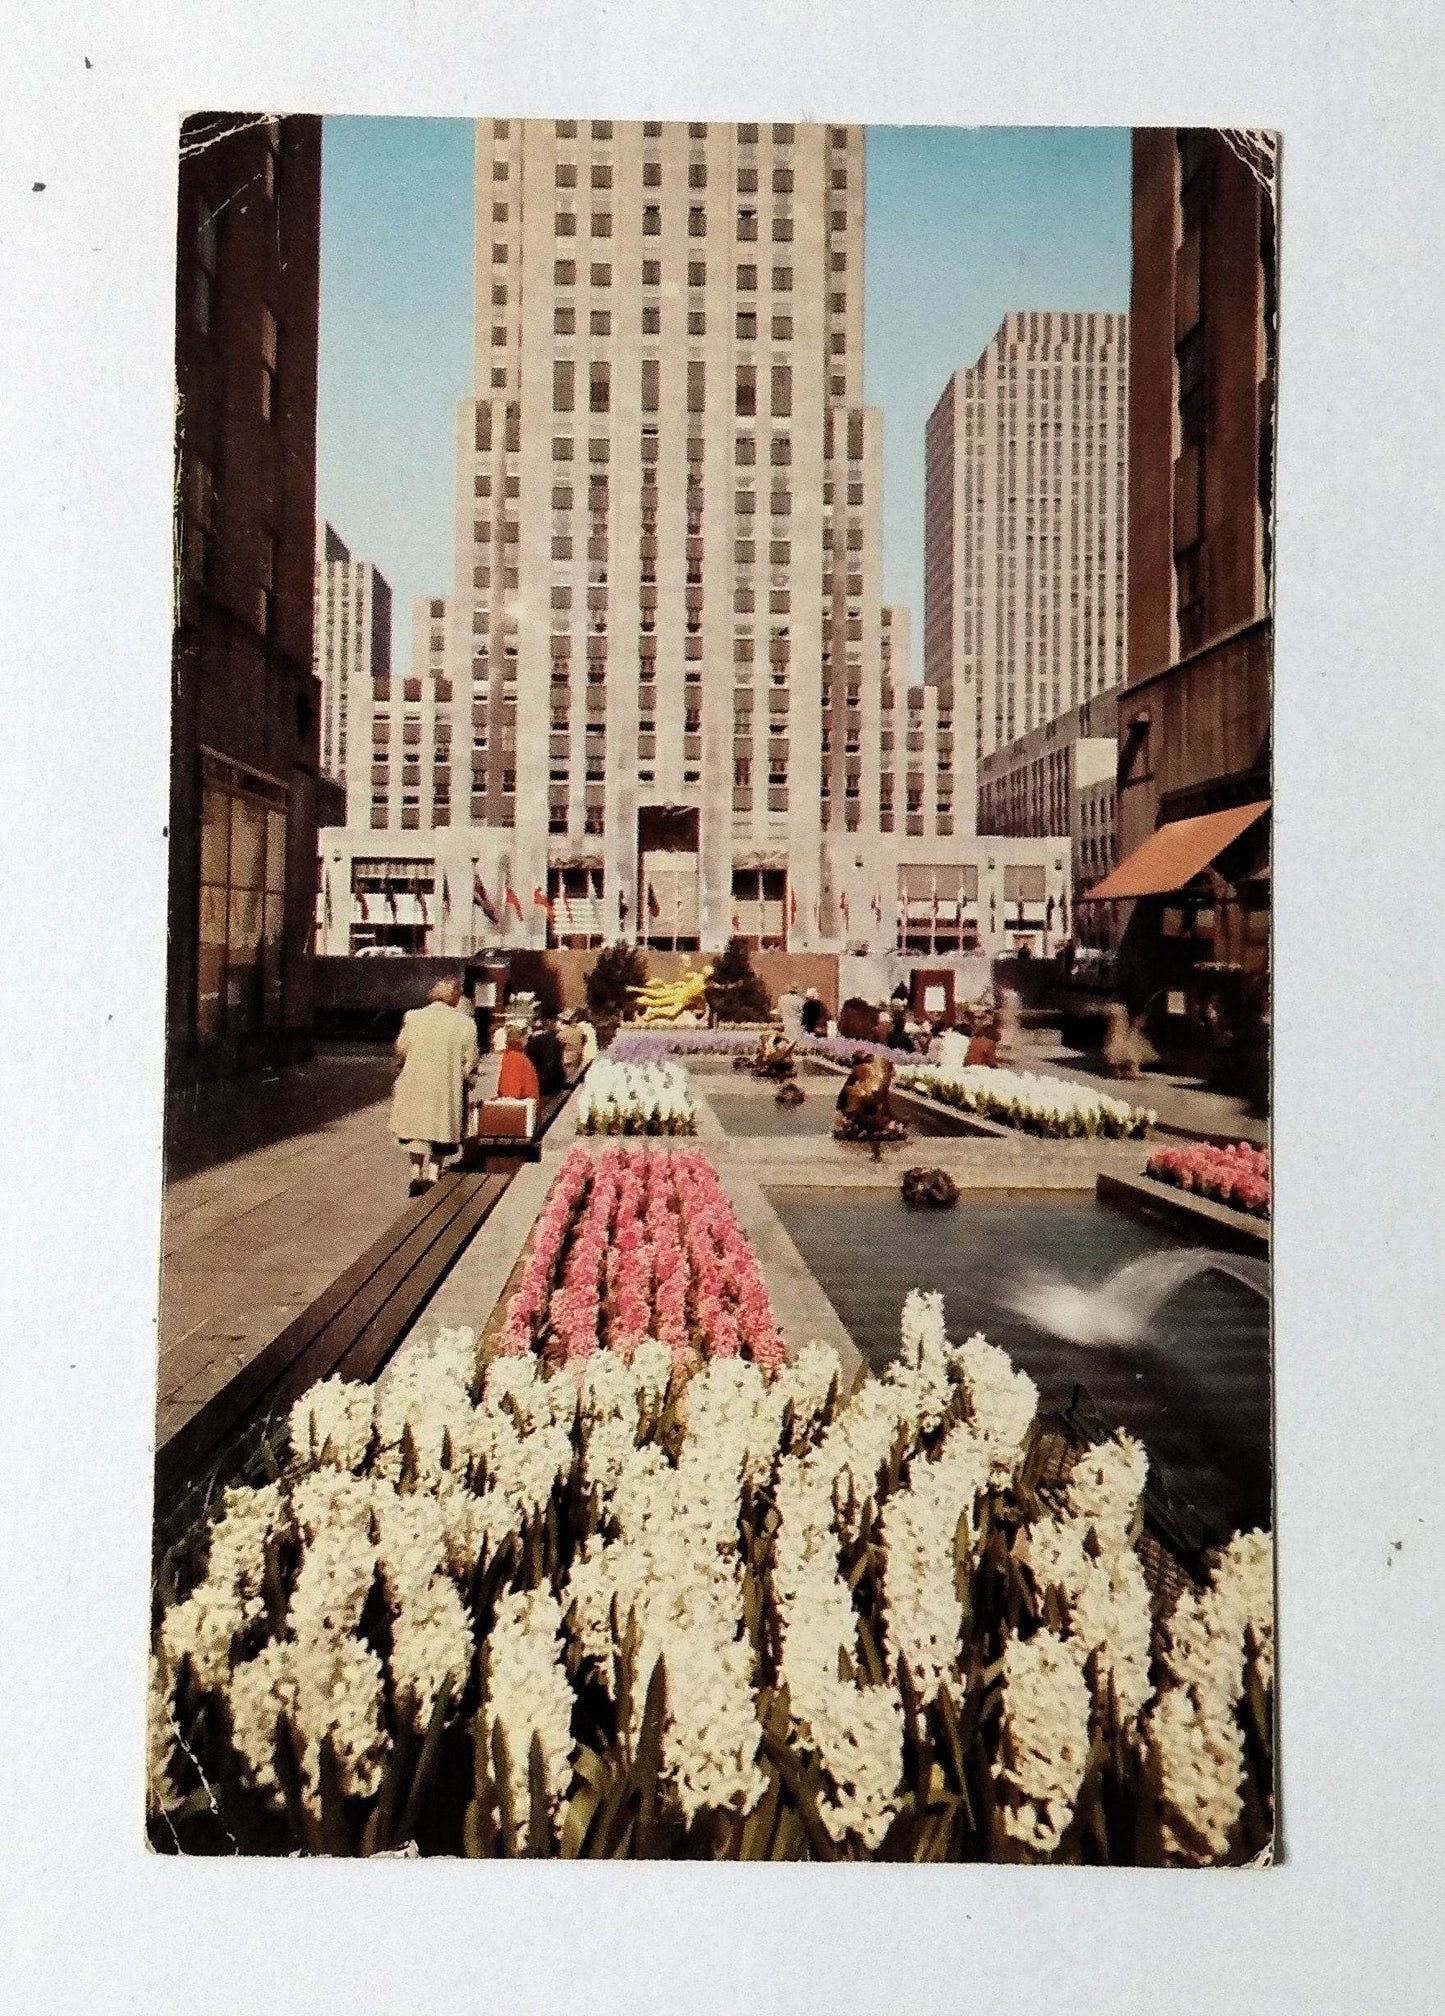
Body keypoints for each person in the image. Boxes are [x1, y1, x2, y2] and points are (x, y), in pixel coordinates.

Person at [391, 978, 480, 1193]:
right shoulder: (465, 1023)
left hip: (415, 1082)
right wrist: (468, 1077)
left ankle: (415, 1171)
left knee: (415, 1130)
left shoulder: (413, 1017)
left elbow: (401, 1048)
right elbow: (470, 1059)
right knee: (442, 1128)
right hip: (446, 1086)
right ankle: (432, 1173)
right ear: (456, 997)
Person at [525, 1014, 567, 1097]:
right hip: (553, 1085)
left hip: (538, 1083)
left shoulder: (532, 1042)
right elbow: (557, 1065)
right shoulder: (554, 1041)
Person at [497, 1023, 541, 1102]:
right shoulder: (519, 1056)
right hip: (529, 1103)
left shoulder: (513, 1058)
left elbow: (510, 1095)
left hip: (523, 1107)